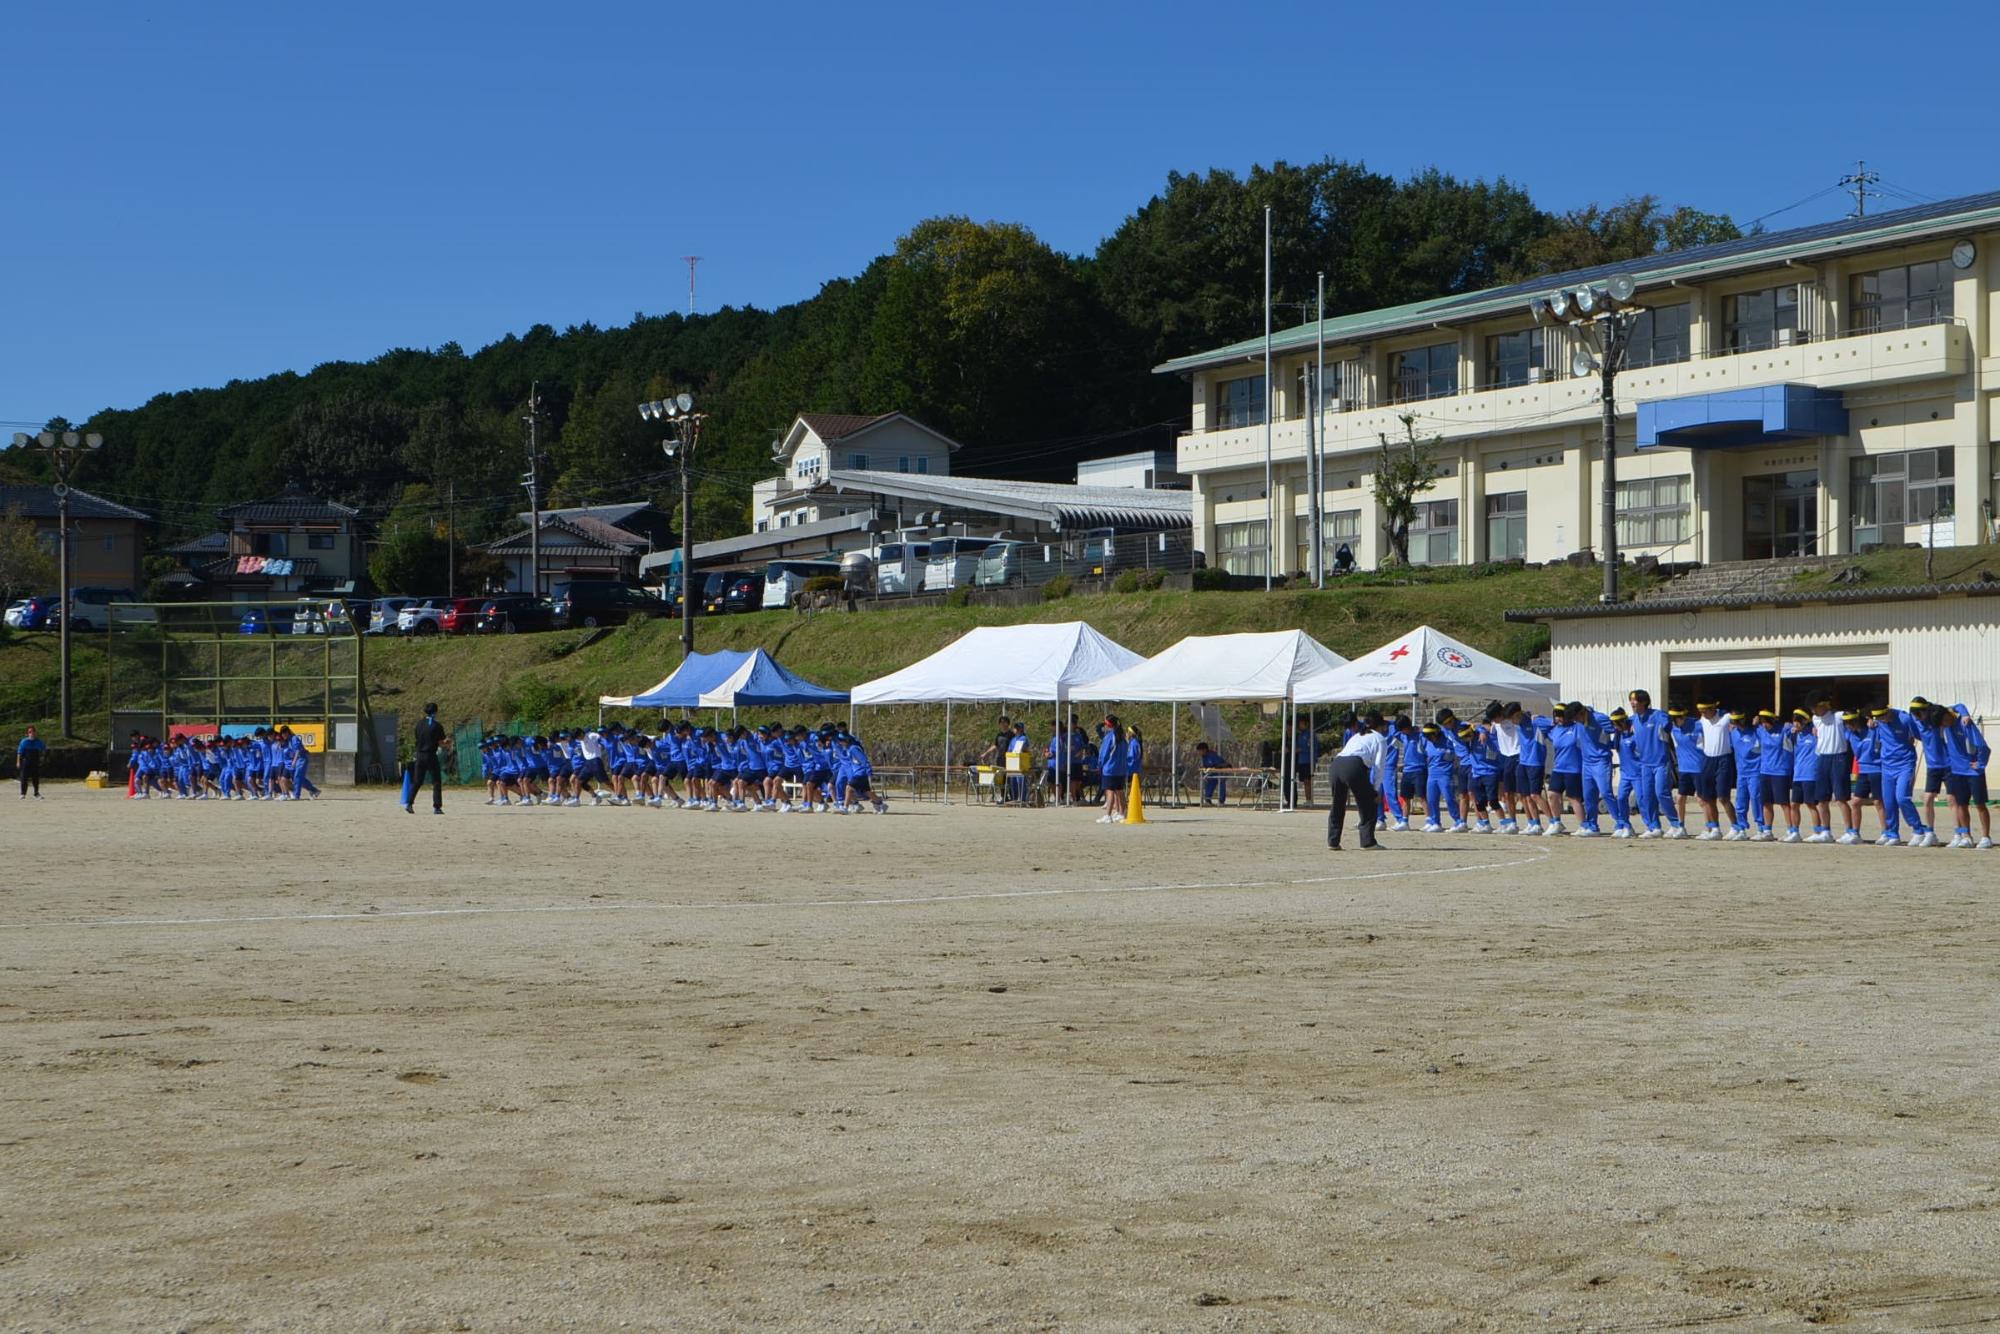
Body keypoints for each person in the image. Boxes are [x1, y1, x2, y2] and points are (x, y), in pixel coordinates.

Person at [1328, 712, 1389, 850]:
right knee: (1368, 802)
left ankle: (1333, 841)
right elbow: (1379, 766)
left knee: (1337, 804)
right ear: (1380, 725)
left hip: (1336, 765)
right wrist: (1375, 789)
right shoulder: (1380, 739)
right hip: (1354, 765)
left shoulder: (1357, 736)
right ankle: (1368, 842)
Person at [408, 702, 448, 815]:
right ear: (435, 712)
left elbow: (417, 738)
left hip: (419, 755)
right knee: (436, 782)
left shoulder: (419, 724)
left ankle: (409, 803)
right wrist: (447, 743)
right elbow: (441, 742)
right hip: (430, 755)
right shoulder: (436, 725)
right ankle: (437, 807)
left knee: (417, 781)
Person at [1096, 715, 1129, 824]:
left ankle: (1108, 815)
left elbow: (1104, 753)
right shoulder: (1123, 737)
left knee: (1109, 791)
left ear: (1109, 725)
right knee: (1120, 791)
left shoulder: (1110, 736)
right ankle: (1122, 813)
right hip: (1121, 769)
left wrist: (1100, 764)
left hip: (1110, 768)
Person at [1195, 740, 1228, 805]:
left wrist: (1213, 768)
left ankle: (1221, 800)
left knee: (1221, 782)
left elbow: (1218, 764)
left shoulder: (1212, 755)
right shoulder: (1203, 757)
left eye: (1200, 751)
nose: (1199, 752)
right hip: (1212, 773)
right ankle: (1207, 799)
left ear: (1204, 750)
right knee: (1210, 782)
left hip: (1221, 772)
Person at [16, 725, 45, 799]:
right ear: (27, 733)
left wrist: (42, 758)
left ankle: (36, 793)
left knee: (35, 778)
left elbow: (43, 750)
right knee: (24, 778)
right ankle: (23, 793)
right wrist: (18, 762)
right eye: (30, 732)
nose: (32, 733)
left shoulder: (39, 742)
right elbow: (19, 752)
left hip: (35, 762)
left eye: (33, 732)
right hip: (26, 762)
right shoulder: (24, 742)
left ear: (35, 733)